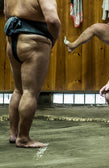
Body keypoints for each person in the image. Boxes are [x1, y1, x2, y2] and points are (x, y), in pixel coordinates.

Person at [4, 0, 61, 147]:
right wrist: (54, 38)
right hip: (34, 42)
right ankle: (23, 138)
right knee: (30, 92)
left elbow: (6, 14)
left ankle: (13, 133)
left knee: (18, 90)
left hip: (13, 39)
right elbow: (52, 19)